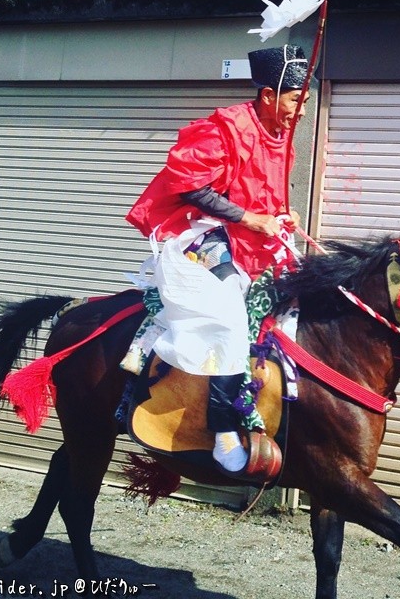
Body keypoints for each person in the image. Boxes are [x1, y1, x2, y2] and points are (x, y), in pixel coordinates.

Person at [126, 44, 309, 475]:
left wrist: (282, 215)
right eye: (294, 101)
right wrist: (251, 218)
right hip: (201, 234)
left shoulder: (281, 135)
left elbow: (265, 195)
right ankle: (224, 431)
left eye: (304, 103)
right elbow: (190, 186)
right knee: (229, 320)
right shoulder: (222, 128)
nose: (300, 112)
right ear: (268, 95)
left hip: (253, 241)